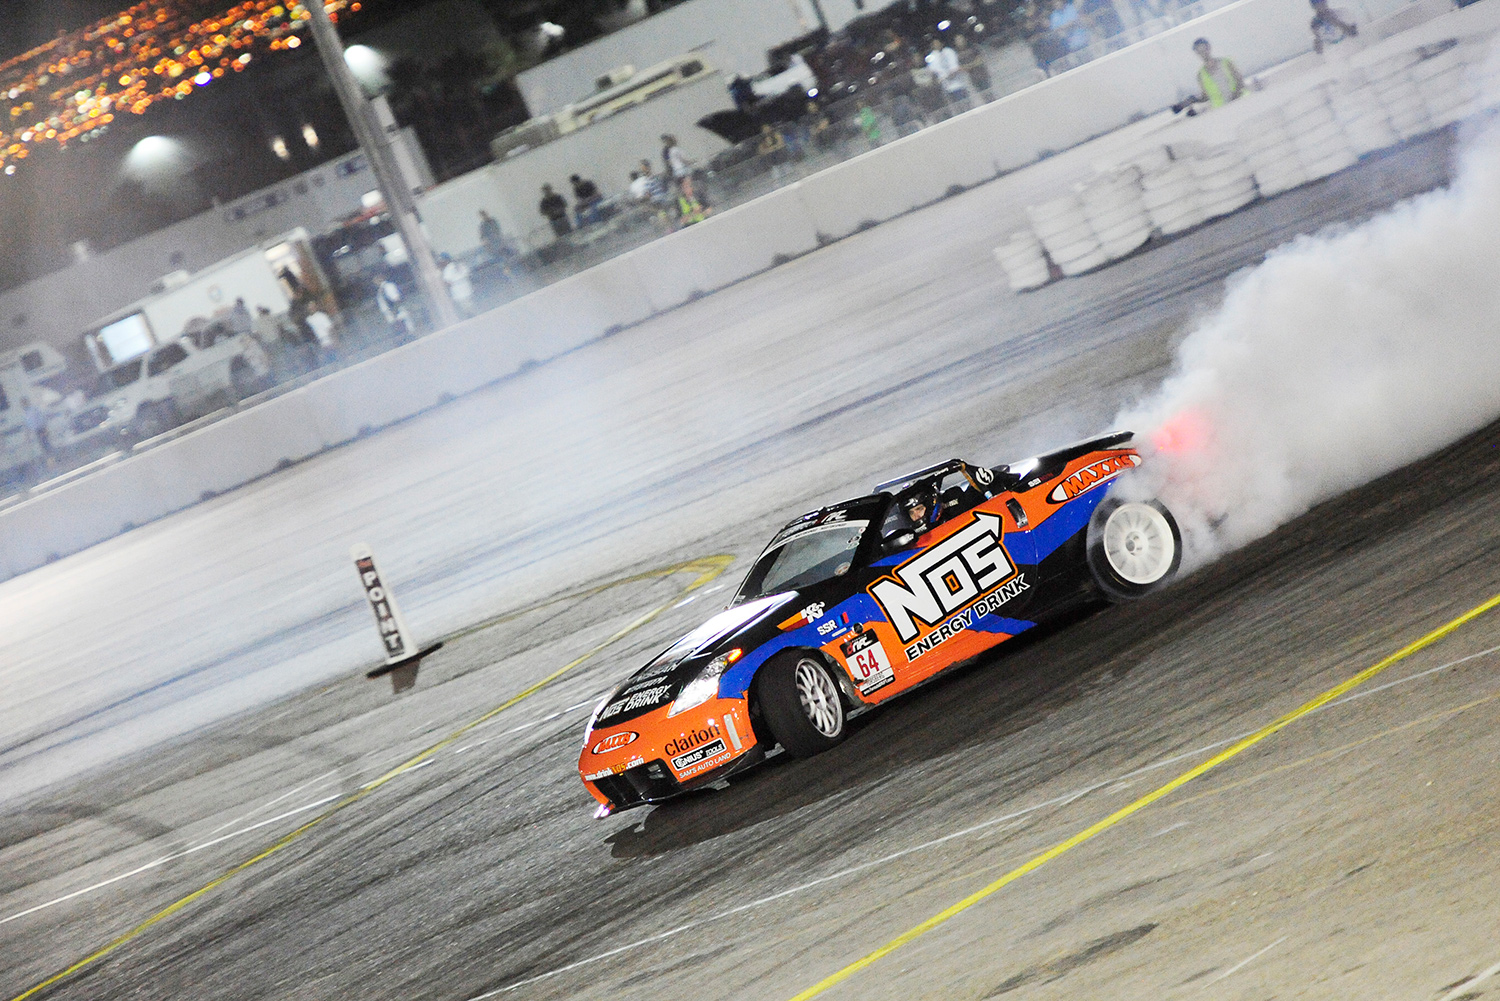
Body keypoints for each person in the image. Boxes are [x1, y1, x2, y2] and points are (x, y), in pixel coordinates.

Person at [1192, 38, 1244, 107]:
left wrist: (1235, 97)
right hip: (1221, 109)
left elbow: (1239, 80)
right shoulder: (1200, 75)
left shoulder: (1226, 63)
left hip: (1241, 102)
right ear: (1197, 53)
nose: (1203, 53)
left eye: (1204, 49)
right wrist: (1193, 100)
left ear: (1209, 47)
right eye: (1200, 51)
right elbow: (1206, 96)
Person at [925, 39, 971, 110]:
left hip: (959, 84)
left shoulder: (949, 51)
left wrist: (953, 72)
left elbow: (955, 66)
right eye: (935, 44)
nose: (937, 45)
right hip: (947, 88)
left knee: (967, 105)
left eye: (938, 43)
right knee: (958, 108)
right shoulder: (932, 57)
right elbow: (932, 71)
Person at [375, 274, 414, 344]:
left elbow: (396, 298)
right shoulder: (380, 291)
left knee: (403, 328)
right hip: (391, 314)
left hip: (396, 312)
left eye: (377, 280)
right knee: (397, 329)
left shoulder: (388, 286)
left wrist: (395, 311)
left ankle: (409, 339)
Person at [955, 36, 992, 101]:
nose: (959, 41)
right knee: (983, 95)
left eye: (960, 39)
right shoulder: (958, 53)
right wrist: (968, 67)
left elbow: (980, 59)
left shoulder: (973, 47)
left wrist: (970, 65)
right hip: (973, 78)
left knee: (988, 92)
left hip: (982, 74)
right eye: (957, 40)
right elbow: (960, 67)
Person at [21, 397, 50, 461]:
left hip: (41, 429)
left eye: (24, 402)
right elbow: (27, 425)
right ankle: (49, 460)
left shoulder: (34, 409)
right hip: (36, 431)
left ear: (27, 402)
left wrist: (45, 428)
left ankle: (52, 458)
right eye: (23, 403)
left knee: (46, 444)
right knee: (42, 446)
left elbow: (41, 418)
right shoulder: (25, 413)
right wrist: (27, 435)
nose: (24, 404)